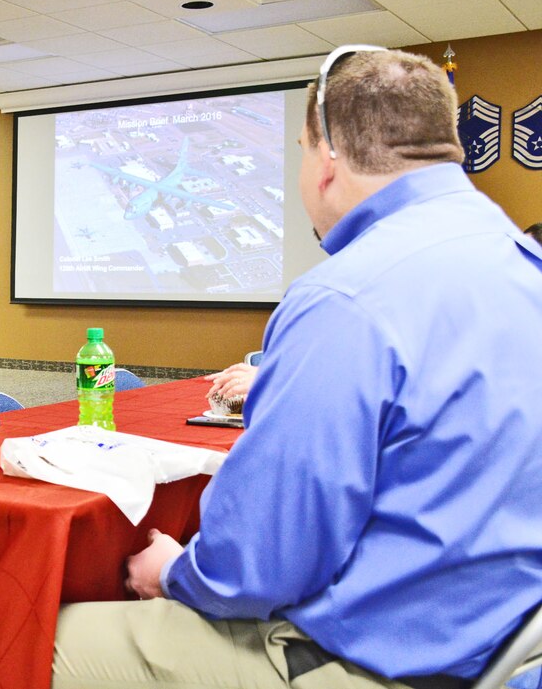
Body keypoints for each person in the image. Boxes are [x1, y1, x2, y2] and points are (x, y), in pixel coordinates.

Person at [53, 47, 542, 688]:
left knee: (38, 636)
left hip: (373, 663)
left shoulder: (347, 297)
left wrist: (172, 572)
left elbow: (257, 567)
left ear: (328, 157)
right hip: (500, 640)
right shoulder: (520, 261)